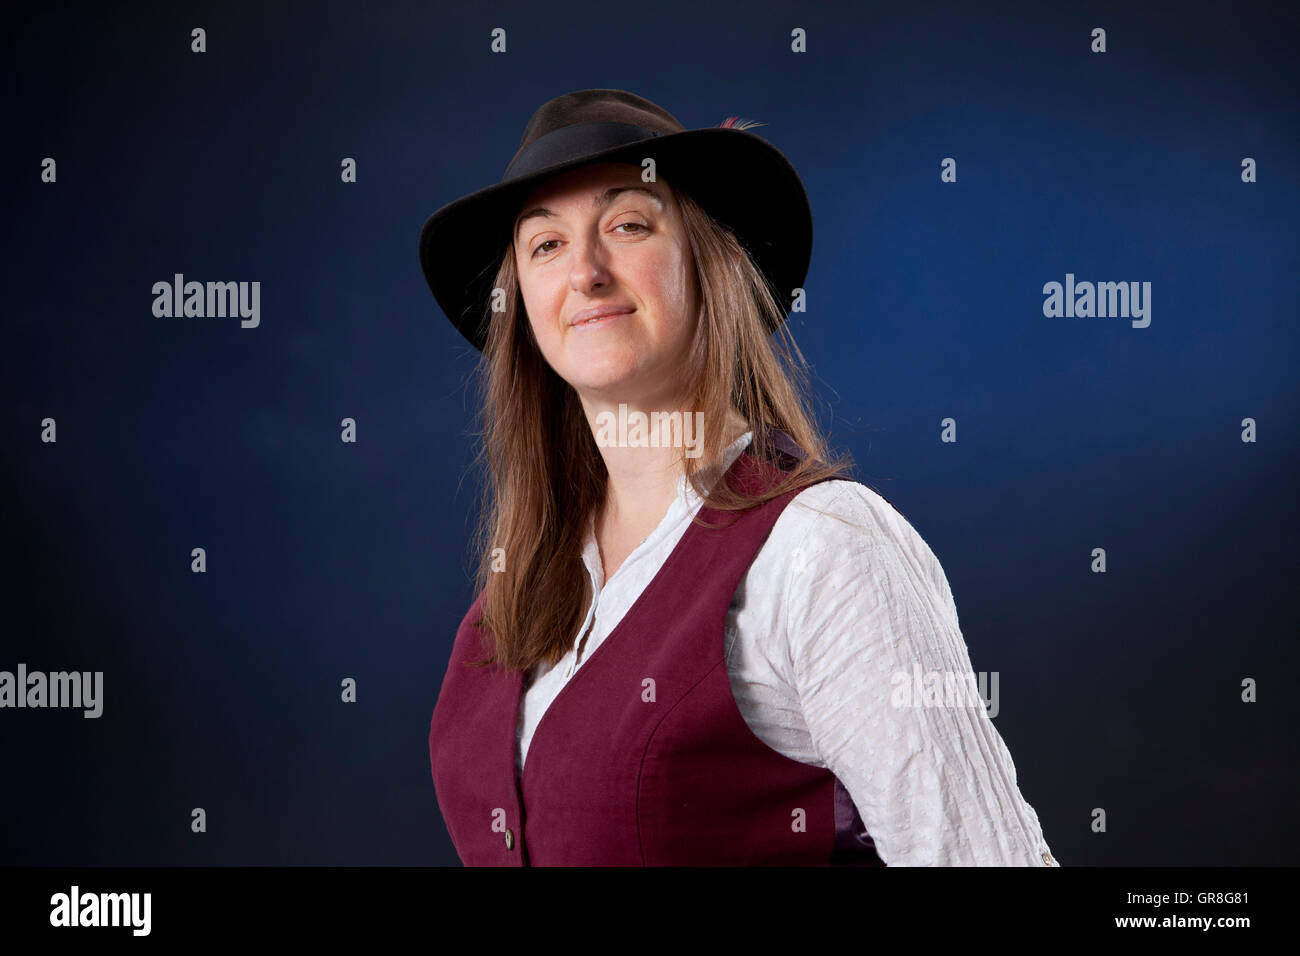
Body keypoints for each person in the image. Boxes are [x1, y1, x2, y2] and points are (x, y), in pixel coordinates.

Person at [420, 88, 1059, 866]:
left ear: (711, 261)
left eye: (627, 225)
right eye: (544, 245)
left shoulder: (824, 551)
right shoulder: (511, 603)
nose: (584, 271)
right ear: (520, 301)